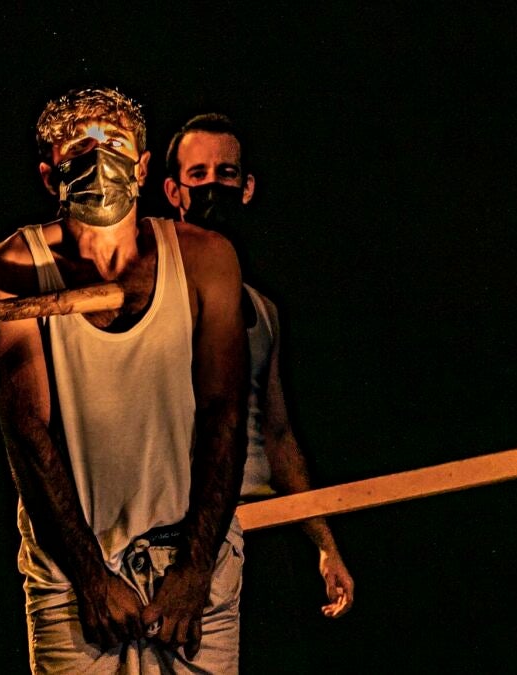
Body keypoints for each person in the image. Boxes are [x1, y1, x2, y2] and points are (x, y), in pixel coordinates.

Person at [0, 88, 248, 673]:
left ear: (144, 167)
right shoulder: (16, 267)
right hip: (72, 568)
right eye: (80, 150)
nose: (101, 162)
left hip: (192, 558)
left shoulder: (204, 259)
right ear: (50, 176)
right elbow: (26, 432)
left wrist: (195, 569)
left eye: (116, 146)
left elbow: (224, 413)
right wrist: (90, 578)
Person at [162, 113, 355, 669]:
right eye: (198, 174)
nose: (213, 186)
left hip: (259, 527)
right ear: (173, 191)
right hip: (182, 535)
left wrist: (324, 543)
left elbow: (277, 434)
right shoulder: (151, 292)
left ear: (246, 187)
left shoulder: (263, 310)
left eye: (226, 173)